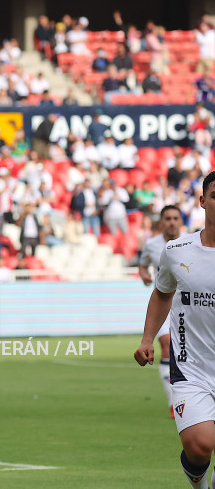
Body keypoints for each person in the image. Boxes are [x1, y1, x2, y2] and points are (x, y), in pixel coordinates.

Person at [134, 171, 215, 489]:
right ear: (203, 201)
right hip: (191, 367)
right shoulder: (177, 249)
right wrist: (147, 339)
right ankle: (198, 481)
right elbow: (162, 293)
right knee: (199, 445)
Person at [138, 205, 183, 418]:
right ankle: (173, 403)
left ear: (180, 221)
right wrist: (144, 275)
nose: (172, 222)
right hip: (163, 303)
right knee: (166, 345)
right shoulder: (151, 245)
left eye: (175, 218)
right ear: (161, 222)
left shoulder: (190, 243)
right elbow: (143, 264)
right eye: (168, 218)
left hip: (186, 306)